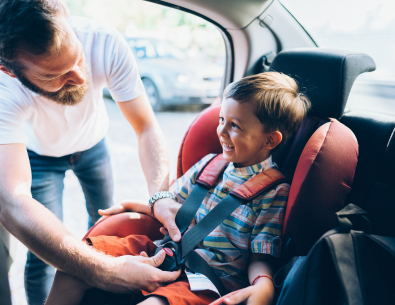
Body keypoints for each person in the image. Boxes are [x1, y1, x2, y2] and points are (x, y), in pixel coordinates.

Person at [45, 72, 311, 305]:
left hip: (208, 281)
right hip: (164, 251)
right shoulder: (210, 163)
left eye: (235, 126)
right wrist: (140, 206)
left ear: (270, 139)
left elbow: (260, 254)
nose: (221, 131)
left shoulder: (273, 191)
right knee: (75, 266)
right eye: (221, 120)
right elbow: (173, 206)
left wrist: (263, 284)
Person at [0, 1, 180, 304]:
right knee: (44, 253)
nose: (81, 79)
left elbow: (146, 126)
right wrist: (101, 271)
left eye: (79, 60)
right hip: (40, 157)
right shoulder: (4, 89)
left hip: (94, 145)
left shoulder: (105, 41)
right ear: (9, 71)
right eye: (52, 76)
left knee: (101, 231)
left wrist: (161, 197)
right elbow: (12, 200)